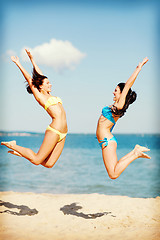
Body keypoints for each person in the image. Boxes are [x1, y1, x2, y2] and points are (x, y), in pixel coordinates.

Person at [1, 49, 68, 168]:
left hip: (64, 132)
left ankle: (24, 154)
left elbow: (40, 74)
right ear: (41, 86)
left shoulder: (51, 95)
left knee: (49, 164)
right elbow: (30, 80)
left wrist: (32, 60)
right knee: (37, 160)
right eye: (47, 83)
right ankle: (13, 145)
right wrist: (18, 64)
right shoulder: (40, 97)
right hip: (55, 130)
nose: (50, 84)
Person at [96, 57, 151, 179]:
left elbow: (127, 85)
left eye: (116, 90)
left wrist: (138, 68)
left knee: (113, 174)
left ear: (122, 94)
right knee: (114, 170)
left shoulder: (119, 106)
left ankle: (135, 153)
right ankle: (135, 152)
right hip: (106, 141)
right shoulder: (115, 107)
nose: (113, 92)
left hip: (107, 141)